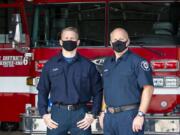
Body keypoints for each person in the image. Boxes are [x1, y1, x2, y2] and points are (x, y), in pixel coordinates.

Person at [37, 27, 103, 135]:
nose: (69, 40)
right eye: (66, 38)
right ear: (60, 42)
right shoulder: (50, 65)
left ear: (78, 42)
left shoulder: (88, 66)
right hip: (57, 114)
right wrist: (44, 114)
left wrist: (93, 114)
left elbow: (98, 91)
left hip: (81, 114)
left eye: (72, 38)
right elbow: (42, 90)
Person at [99, 28, 154, 135]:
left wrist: (140, 115)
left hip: (129, 116)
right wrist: (103, 112)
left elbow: (148, 88)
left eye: (121, 39)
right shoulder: (107, 63)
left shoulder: (138, 62)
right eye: (114, 40)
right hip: (109, 117)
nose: (118, 42)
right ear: (110, 43)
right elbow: (106, 89)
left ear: (128, 41)